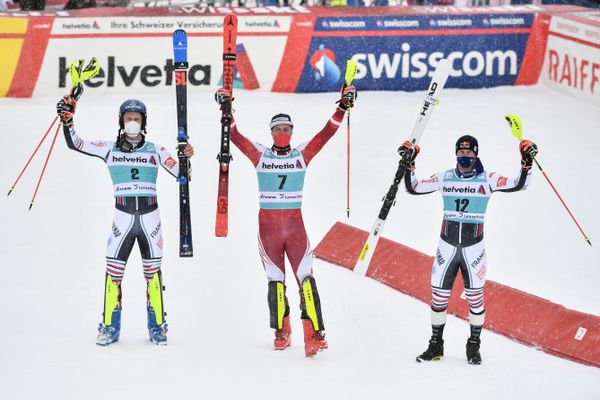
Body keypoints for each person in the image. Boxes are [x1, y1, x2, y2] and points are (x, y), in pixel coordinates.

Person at [215, 85, 356, 357]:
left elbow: (325, 134)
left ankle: (312, 334)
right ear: (271, 133)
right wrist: (225, 107)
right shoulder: (260, 155)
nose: (282, 133)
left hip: (295, 229)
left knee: (306, 281)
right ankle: (283, 330)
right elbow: (234, 135)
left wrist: (343, 106)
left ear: (292, 132)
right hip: (268, 230)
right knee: (275, 283)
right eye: (277, 129)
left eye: (286, 129)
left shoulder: (301, 155)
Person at [56, 87, 194, 346]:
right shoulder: (109, 149)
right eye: (128, 118)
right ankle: (109, 326)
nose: (133, 123)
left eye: (137, 118)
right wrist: (68, 120)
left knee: (153, 274)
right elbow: (75, 143)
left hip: (150, 219)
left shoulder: (156, 149)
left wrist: (186, 157)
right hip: (122, 218)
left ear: (144, 122)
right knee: (113, 272)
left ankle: (158, 327)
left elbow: (183, 176)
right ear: (121, 121)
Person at [399, 134, 537, 364]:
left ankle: (473, 346)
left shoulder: (487, 178)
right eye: (461, 152)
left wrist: (526, 162)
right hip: (447, 248)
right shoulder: (445, 177)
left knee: (475, 300)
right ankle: (436, 345)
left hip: (474, 250)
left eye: (469, 152)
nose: (465, 156)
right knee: (438, 298)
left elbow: (519, 184)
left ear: (476, 153)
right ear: (456, 154)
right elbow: (413, 188)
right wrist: (409, 164)